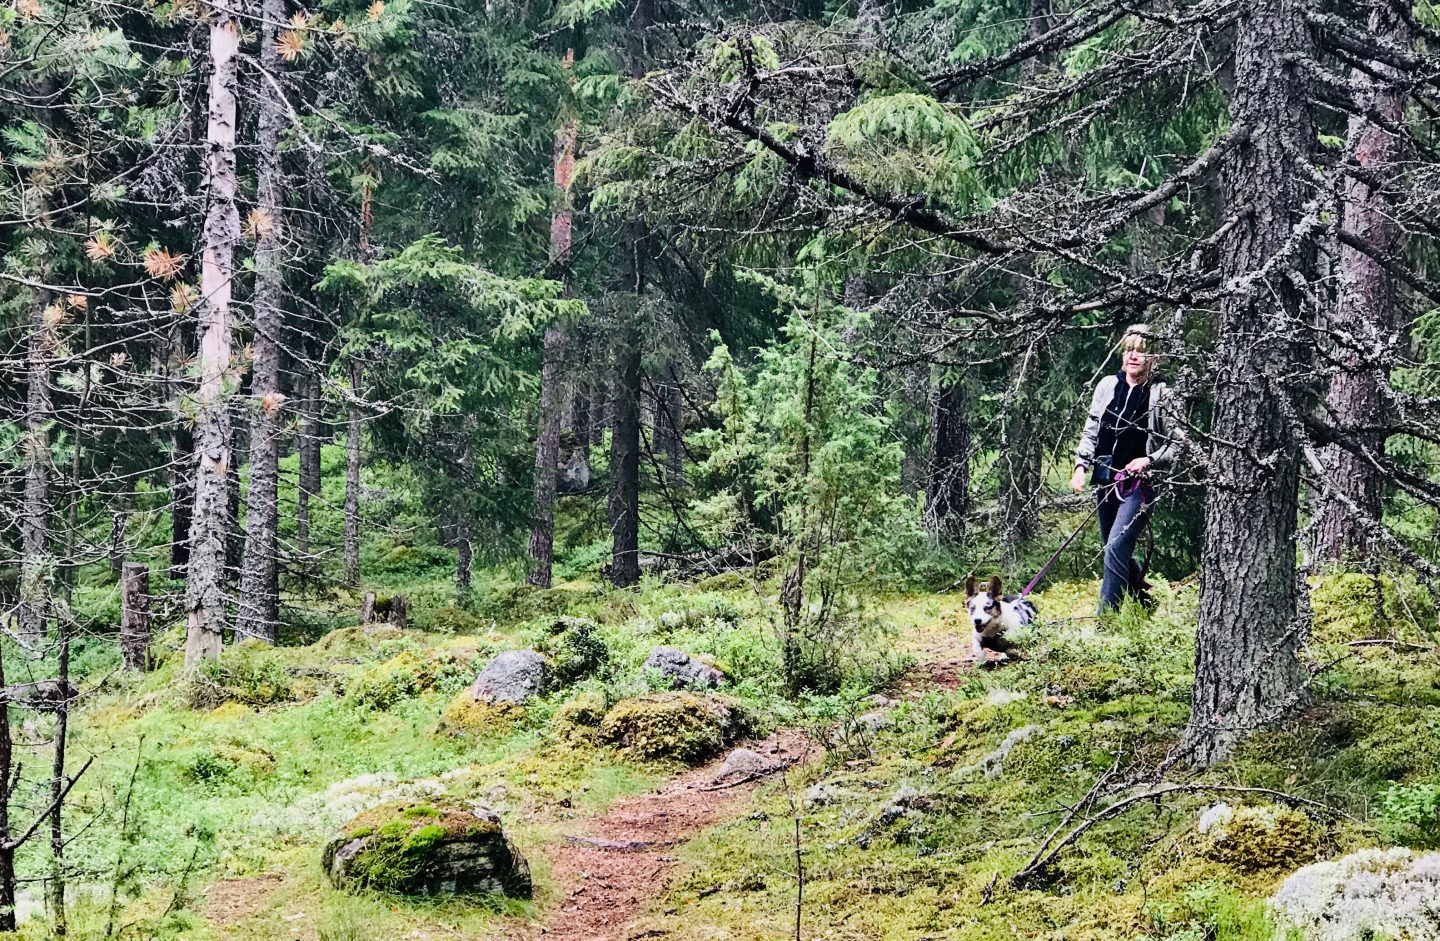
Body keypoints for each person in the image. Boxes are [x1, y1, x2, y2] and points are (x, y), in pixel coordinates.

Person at [1070, 324, 1182, 614]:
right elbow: (1091, 430)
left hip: (1141, 484)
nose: (1133, 356)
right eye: (1129, 350)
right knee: (1113, 546)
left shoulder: (1162, 394)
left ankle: (1106, 619)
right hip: (1106, 478)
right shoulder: (1107, 385)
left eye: (1141, 352)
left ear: (1152, 359)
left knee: (1117, 545)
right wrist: (1081, 464)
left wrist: (1149, 460)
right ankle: (1145, 604)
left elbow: (1177, 444)